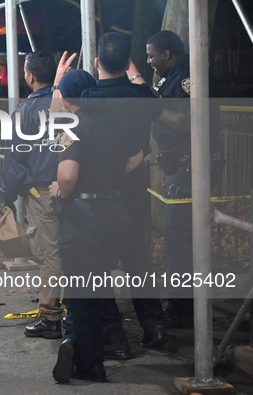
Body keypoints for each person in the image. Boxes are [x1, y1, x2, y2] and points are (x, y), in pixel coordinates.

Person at [49, 69, 142, 383]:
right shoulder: (118, 122)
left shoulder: (69, 127)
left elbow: (66, 176)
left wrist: (59, 189)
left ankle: (89, 363)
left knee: (83, 290)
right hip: (117, 211)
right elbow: (136, 159)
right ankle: (81, 343)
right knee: (100, 283)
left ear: (66, 96)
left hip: (84, 215)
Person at [81, 32, 168, 353]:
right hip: (136, 188)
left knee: (99, 267)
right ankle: (154, 324)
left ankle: (115, 338)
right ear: (128, 62)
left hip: (102, 191)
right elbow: (156, 103)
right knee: (138, 258)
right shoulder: (141, 98)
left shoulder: (90, 97)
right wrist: (134, 74)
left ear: (97, 62)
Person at [144, 30, 223, 328]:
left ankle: (182, 307)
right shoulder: (173, 76)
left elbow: (189, 122)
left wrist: (154, 103)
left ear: (166, 54)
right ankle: (187, 302)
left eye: (152, 55)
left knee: (179, 237)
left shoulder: (189, 75)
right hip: (180, 168)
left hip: (189, 168)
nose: (149, 61)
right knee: (181, 237)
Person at [0, 52, 64, 339]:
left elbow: (15, 159)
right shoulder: (68, 105)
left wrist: (7, 193)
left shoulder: (24, 111)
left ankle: (50, 317)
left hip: (41, 194)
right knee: (70, 249)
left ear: (30, 76)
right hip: (72, 190)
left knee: (49, 255)